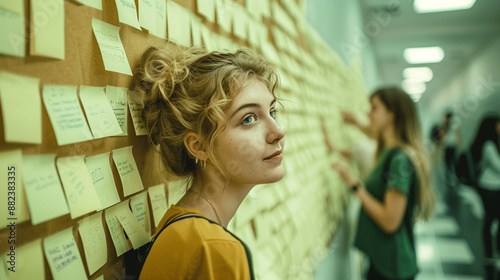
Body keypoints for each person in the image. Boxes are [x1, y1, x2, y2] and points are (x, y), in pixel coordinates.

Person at [135, 44, 285, 279]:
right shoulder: (214, 248)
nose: (278, 131)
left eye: (272, 112)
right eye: (248, 118)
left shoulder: (182, 226)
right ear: (199, 146)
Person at [331, 87, 435, 280]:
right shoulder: (388, 149)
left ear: (392, 113)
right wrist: (354, 122)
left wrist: (355, 185)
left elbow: (390, 221)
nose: (368, 113)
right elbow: (372, 132)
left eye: (374, 108)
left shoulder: (399, 160)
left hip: (393, 266)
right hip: (383, 260)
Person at [470, 115, 500, 279]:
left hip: (496, 187)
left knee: (493, 218)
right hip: (489, 186)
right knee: (490, 218)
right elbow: (498, 166)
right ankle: (490, 253)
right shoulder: (489, 145)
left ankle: (494, 252)